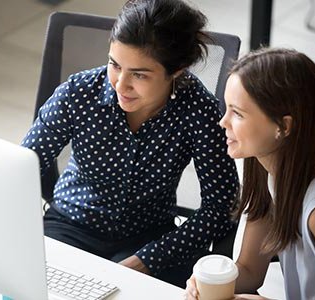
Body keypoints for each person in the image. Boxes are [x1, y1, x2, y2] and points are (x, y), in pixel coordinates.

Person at [22, 0, 239, 287]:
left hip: (149, 237)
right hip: (70, 224)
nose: (120, 84)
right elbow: (23, 168)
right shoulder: (78, 93)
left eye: (139, 74)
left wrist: (150, 259)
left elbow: (221, 205)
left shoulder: (199, 111)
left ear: (177, 71)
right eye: (115, 64)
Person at [185, 48, 315, 299]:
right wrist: (209, 283)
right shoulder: (267, 174)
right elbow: (250, 270)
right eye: (226, 108)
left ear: (283, 126)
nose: (223, 122)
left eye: (237, 113)